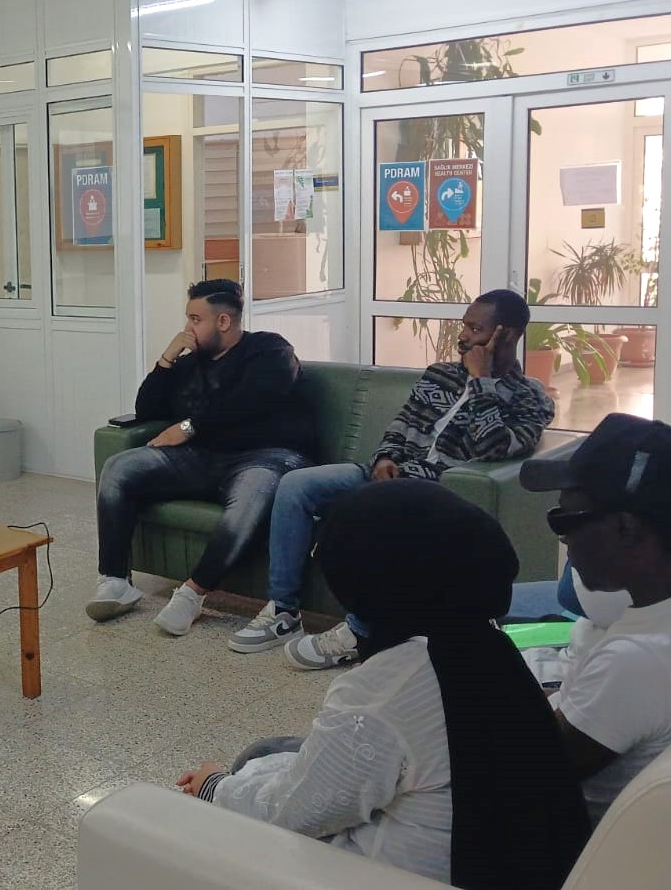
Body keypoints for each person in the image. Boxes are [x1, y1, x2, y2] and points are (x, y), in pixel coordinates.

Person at [177, 481, 590, 888]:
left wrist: (215, 787)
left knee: (216, 801)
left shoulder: (388, 686)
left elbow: (294, 813)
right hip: (505, 860)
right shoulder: (489, 645)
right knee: (264, 755)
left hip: (405, 874)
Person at [229, 288, 553, 669]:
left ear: (508, 335)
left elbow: (494, 446)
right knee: (296, 485)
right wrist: (384, 457)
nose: (463, 336)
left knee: (385, 528)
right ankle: (284, 611)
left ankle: (359, 632)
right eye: (464, 325)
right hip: (388, 475)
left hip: (434, 492)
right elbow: (402, 423)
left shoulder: (530, 399)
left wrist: (481, 382)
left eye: (476, 329)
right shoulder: (439, 375)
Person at [519, 413, 671, 824]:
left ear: (626, 528)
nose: (563, 537)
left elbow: (516, 779)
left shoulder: (633, 664)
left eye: (565, 519)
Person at [87, 279, 315, 635]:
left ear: (223, 321)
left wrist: (189, 426)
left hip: (267, 457)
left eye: (195, 319)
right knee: (119, 467)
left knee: (253, 491)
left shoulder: (270, 350)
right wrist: (167, 358)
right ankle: (115, 581)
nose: (187, 328)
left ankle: (192, 593)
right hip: (203, 458)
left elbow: (250, 402)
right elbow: (146, 409)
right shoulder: (191, 363)